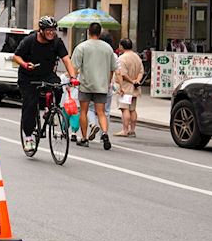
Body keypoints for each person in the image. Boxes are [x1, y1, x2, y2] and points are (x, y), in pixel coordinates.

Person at [12, 16, 77, 154]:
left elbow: (66, 59)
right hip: (28, 76)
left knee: (58, 88)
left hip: (47, 74)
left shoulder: (57, 42)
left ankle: (50, 109)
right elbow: (16, 56)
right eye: (48, 30)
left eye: (53, 30)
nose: (51, 33)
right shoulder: (30, 40)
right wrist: (25, 64)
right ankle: (28, 137)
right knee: (30, 104)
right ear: (41, 30)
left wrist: (73, 77)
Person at [72, 22, 116, 150]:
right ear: (100, 32)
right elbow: (112, 68)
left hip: (85, 84)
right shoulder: (108, 48)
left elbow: (74, 67)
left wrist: (72, 79)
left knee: (84, 111)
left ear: (88, 31)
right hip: (102, 85)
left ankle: (84, 138)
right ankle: (105, 134)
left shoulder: (82, 47)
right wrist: (108, 82)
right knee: (101, 112)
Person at [115, 38, 143, 137]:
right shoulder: (137, 57)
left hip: (126, 87)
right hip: (135, 87)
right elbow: (141, 71)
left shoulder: (122, 58)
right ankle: (132, 130)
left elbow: (122, 73)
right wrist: (137, 81)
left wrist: (130, 81)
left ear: (121, 46)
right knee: (132, 109)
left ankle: (125, 130)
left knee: (125, 108)